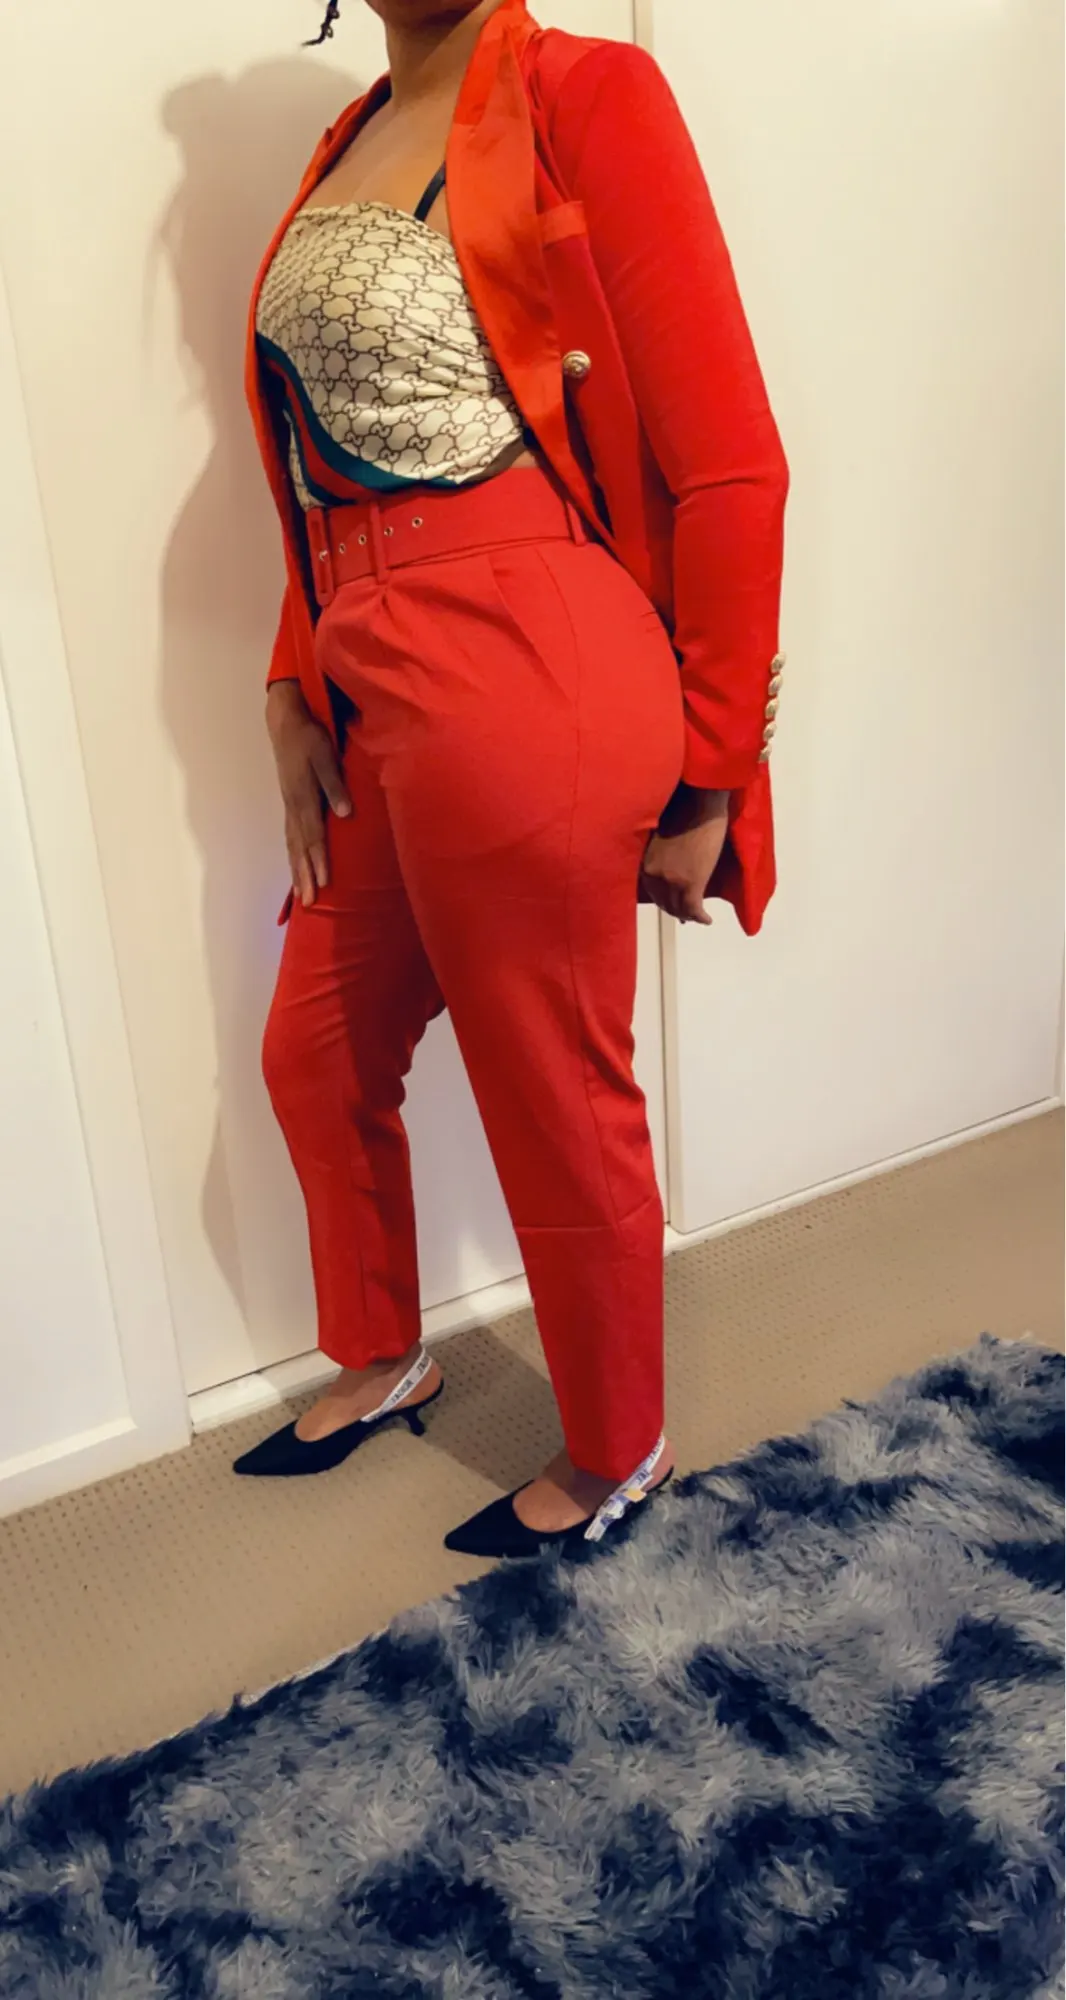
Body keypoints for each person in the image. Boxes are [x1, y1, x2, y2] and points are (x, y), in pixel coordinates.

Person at [233, 0, 788, 1560]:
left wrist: (712, 769)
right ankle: (383, 1353)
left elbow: (731, 460)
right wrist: (288, 679)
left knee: (549, 1082)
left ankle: (617, 1449)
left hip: (522, 643)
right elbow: (317, 454)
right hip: (363, 660)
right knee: (316, 1046)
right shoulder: (342, 141)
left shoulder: (586, 95)